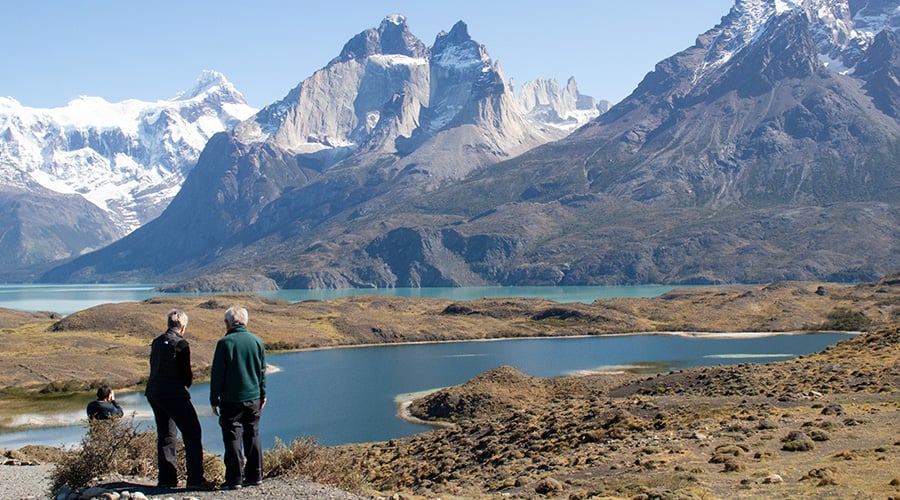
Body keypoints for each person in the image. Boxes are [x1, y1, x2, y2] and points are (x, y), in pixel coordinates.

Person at [145, 309, 212, 490]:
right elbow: (186, 375)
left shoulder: (157, 342)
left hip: (154, 393)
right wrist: (186, 384)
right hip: (173, 394)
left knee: (166, 434)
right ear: (182, 326)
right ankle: (196, 480)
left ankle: (167, 479)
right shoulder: (181, 344)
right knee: (192, 431)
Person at [210, 305, 267, 490]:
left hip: (231, 400)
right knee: (253, 434)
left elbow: (217, 374)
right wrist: (263, 394)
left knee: (233, 437)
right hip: (254, 398)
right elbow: (261, 371)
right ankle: (256, 475)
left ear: (228, 323)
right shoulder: (256, 341)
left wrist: (214, 399)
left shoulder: (225, 343)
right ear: (246, 321)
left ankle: (235, 479)